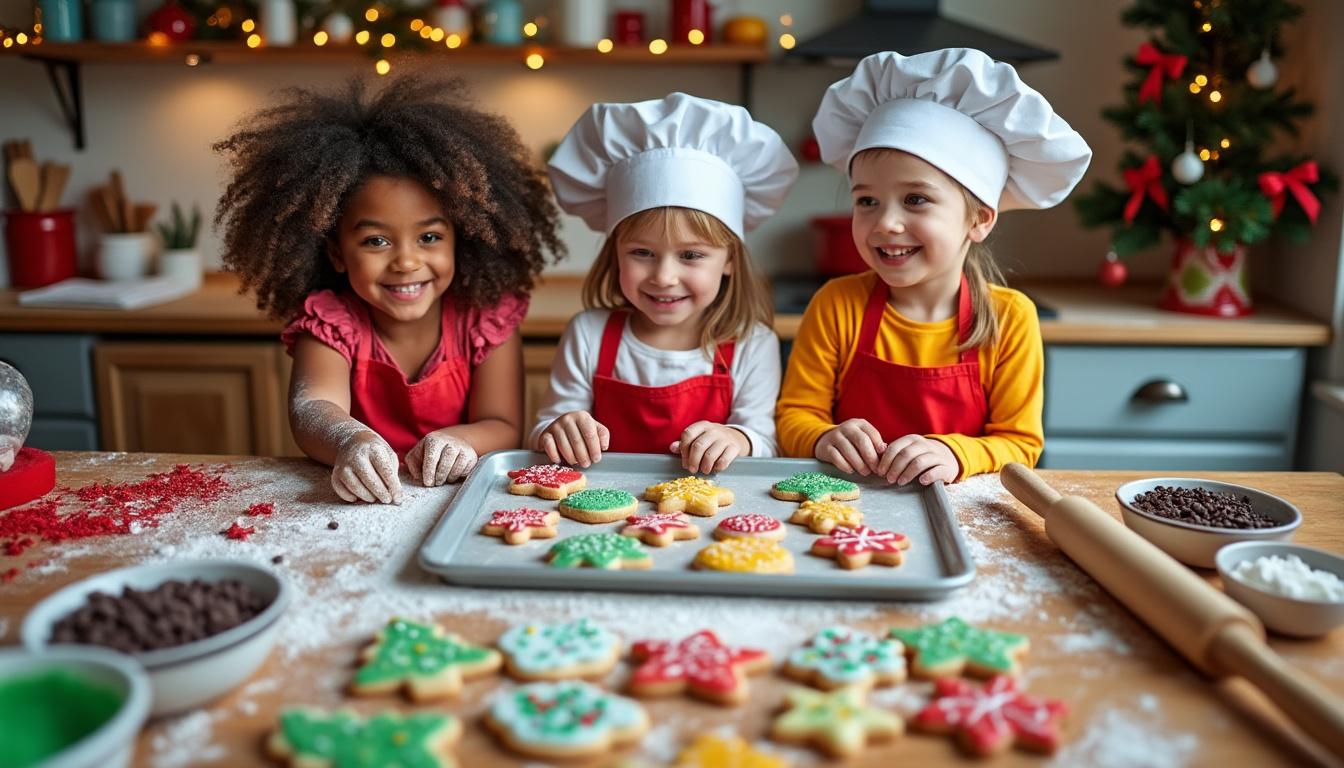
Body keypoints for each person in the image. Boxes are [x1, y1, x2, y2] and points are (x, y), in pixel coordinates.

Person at [214, 75, 562, 503]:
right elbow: (312, 410)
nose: (406, 261)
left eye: (429, 237)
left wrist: (460, 441)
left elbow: (503, 424)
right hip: (358, 504)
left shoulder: (486, 318)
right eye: (376, 240)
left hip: (460, 501)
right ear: (338, 253)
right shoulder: (331, 322)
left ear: (461, 238)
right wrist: (351, 442)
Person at [777, 49, 1092, 485]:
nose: (885, 222)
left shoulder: (1009, 318)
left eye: (915, 199)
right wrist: (822, 438)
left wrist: (953, 452)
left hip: (963, 519)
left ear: (979, 219)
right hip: (847, 508)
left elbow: (1020, 444)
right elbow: (795, 415)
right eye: (867, 200)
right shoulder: (836, 305)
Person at [534, 93, 798, 474]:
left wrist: (738, 439)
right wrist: (558, 430)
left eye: (691, 255)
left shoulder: (752, 344)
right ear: (615, 253)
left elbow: (765, 441)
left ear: (729, 261)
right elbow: (545, 430)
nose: (664, 277)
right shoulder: (588, 334)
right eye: (642, 253)